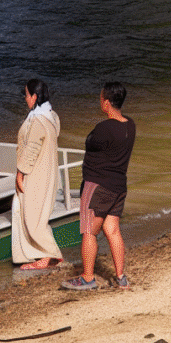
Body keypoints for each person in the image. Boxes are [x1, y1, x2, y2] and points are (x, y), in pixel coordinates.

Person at [62, 81, 135, 291]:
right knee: (112, 231)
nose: (100, 101)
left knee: (89, 232)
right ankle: (121, 277)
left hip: (98, 186)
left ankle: (87, 278)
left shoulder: (104, 128)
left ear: (107, 103)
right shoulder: (130, 125)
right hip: (119, 186)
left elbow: (90, 142)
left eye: (102, 98)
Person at [11, 79, 64, 271]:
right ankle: (39, 253)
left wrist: (20, 173)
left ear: (34, 97)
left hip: (36, 172)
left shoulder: (37, 120)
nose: (25, 98)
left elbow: (32, 148)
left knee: (32, 216)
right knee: (34, 213)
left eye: (26, 95)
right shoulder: (50, 116)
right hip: (46, 170)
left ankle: (50, 253)